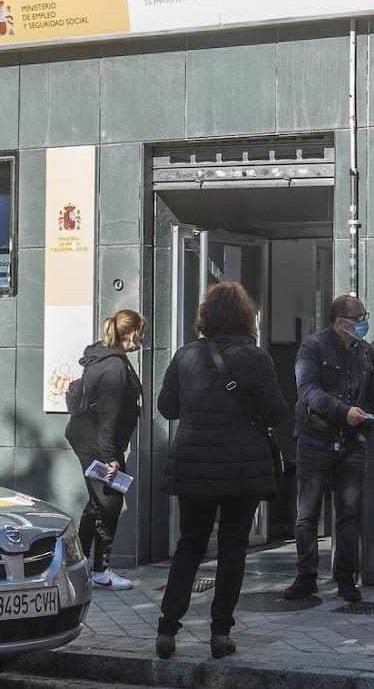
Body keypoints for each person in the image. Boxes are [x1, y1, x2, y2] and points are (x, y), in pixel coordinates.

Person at [156, 282, 288, 660]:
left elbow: (167, 408)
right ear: (246, 317)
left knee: (190, 545)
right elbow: (278, 412)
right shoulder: (257, 358)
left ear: (205, 316)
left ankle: (167, 630)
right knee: (234, 548)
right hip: (241, 467)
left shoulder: (185, 356)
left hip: (194, 462)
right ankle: (220, 635)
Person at [284, 295, 374, 603]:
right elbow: (308, 391)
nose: (364, 322)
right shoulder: (313, 347)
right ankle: (306, 576)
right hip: (315, 441)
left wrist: (363, 432)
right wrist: (343, 412)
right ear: (340, 322)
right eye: (359, 317)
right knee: (307, 514)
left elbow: (370, 396)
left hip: (351, 445)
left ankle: (346, 579)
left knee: (348, 514)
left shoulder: (365, 352)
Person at [64, 309, 146, 591]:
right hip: (98, 446)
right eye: (141, 333)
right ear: (134, 334)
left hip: (93, 442)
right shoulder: (113, 368)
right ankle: (100, 570)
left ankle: (79, 563)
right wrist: (111, 457)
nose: (142, 339)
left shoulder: (106, 357)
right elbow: (109, 415)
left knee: (97, 503)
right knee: (109, 505)